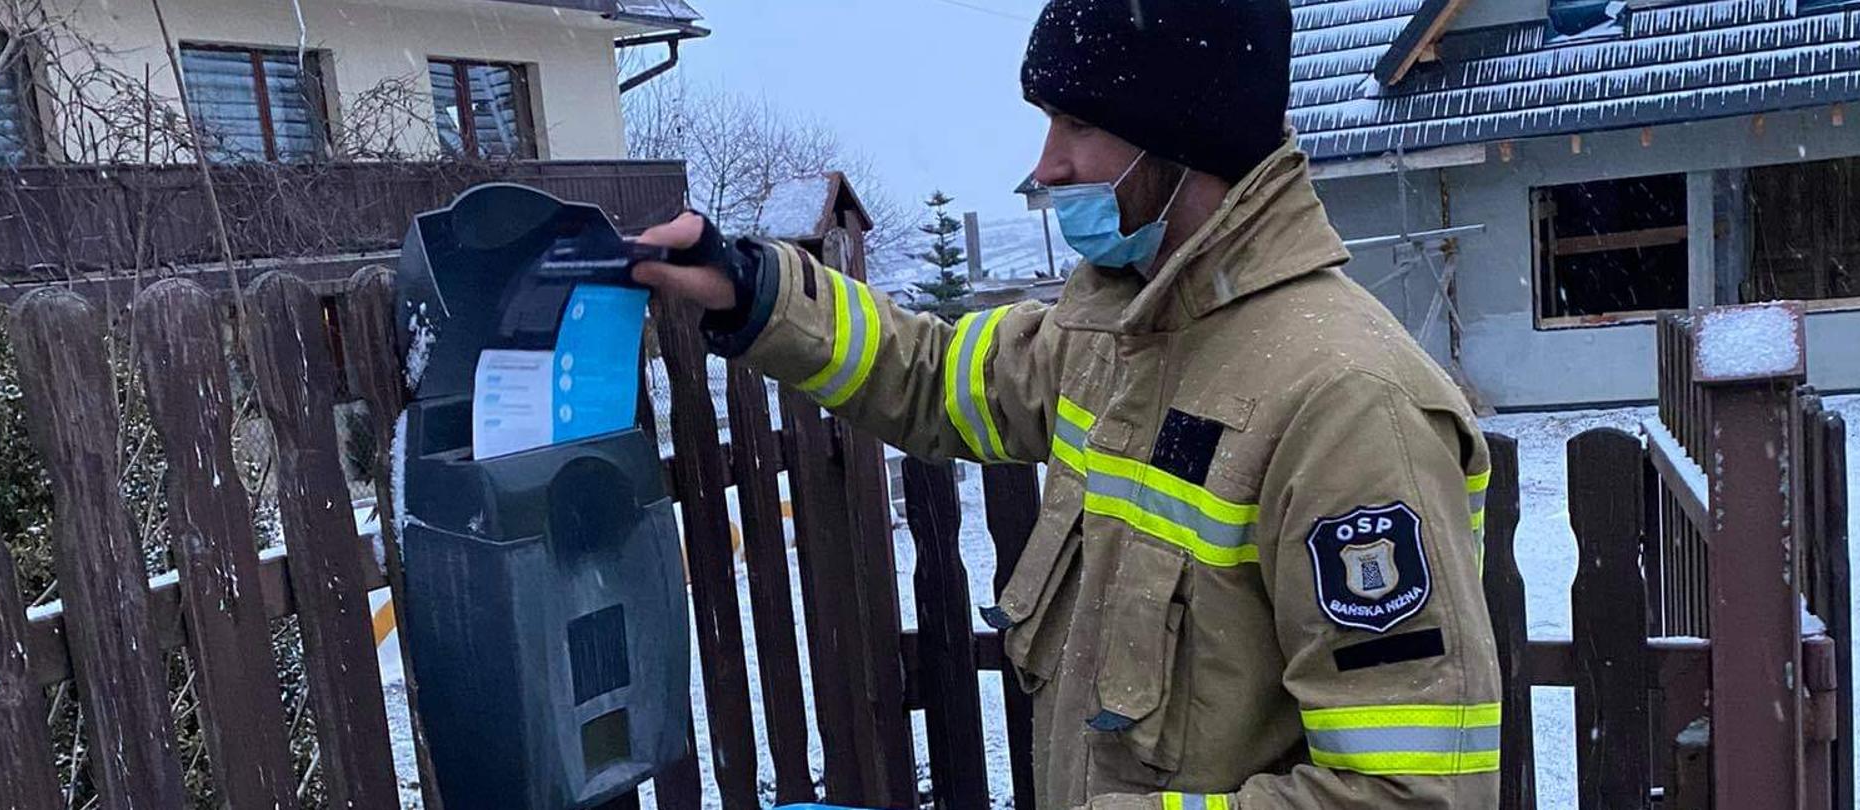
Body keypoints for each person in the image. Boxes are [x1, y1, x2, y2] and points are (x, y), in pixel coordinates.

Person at [630, 1, 1501, 807]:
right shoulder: (1118, 334)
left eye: (1078, 123)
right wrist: (752, 292)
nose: (1046, 163)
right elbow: (932, 376)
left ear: (1183, 132)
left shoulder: (1348, 403)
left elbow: (1408, 797)